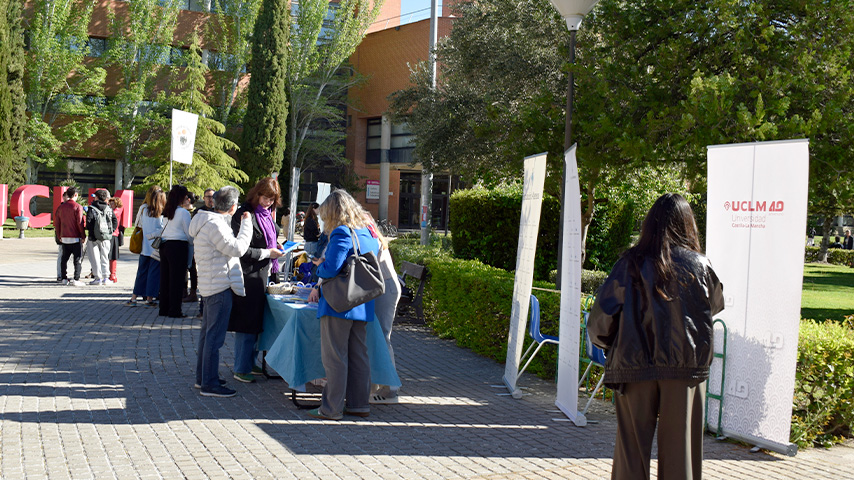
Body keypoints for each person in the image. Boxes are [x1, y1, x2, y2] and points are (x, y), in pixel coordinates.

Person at [587, 193, 724, 480]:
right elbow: (713, 306)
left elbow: (602, 315)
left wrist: (608, 344)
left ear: (650, 224)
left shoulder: (629, 263)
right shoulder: (700, 265)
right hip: (685, 368)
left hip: (635, 365)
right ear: (689, 225)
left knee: (630, 453)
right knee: (681, 453)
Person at [305, 190, 380, 420]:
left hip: (339, 302)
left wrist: (320, 265)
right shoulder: (368, 232)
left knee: (335, 358)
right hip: (362, 302)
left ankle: (331, 408)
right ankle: (359, 405)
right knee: (359, 356)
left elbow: (332, 267)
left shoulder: (341, 232)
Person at [189, 186, 253, 397]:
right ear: (233, 206)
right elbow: (237, 249)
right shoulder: (215, 224)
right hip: (218, 287)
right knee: (214, 339)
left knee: (207, 336)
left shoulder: (206, 221)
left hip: (210, 285)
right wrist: (247, 225)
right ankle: (209, 383)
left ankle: (203, 378)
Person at [228, 177, 284, 383]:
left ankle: (249, 362)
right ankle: (241, 366)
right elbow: (241, 250)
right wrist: (268, 252)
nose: (268, 202)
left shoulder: (267, 214)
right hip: (247, 275)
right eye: (265, 197)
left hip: (262, 275)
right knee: (246, 322)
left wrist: (277, 246)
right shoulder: (245, 214)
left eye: (272, 199)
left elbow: (270, 239)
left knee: (256, 321)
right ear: (257, 193)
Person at [364, 211, 402, 404]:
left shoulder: (370, 237)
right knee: (378, 337)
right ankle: (379, 385)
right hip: (386, 287)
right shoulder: (373, 234)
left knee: (382, 338)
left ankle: (390, 389)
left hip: (385, 289)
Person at [128, 187, 165, 307]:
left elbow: (138, 223)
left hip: (145, 246)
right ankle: (149, 299)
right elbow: (164, 228)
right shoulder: (163, 211)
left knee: (141, 272)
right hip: (157, 247)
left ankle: (134, 298)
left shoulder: (143, 208)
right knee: (154, 273)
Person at [159, 185, 192, 318]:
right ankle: (175, 310)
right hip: (179, 246)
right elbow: (189, 233)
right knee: (177, 280)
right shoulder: (183, 213)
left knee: (165, 278)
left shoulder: (168, 211)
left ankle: (164, 308)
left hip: (165, 245)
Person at [54, 187, 87, 287]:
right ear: (76, 195)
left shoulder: (61, 207)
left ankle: (64, 278)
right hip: (75, 237)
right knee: (77, 259)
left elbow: (57, 223)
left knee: (64, 259)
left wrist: (59, 235)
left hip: (64, 237)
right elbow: (79, 222)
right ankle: (76, 279)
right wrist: (83, 235)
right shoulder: (78, 207)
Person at [86, 189, 118, 285]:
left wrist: (92, 234)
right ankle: (106, 278)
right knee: (105, 257)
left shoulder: (92, 208)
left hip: (94, 238)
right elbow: (115, 221)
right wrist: (110, 232)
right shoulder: (109, 208)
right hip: (106, 237)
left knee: (94, 258)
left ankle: (97, 278)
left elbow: (88, 222)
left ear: (97, 197)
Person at [108, 197, 125, 283]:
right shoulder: (114, 210)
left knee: (112, 256)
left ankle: (113, 274)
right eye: (110, 203)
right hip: (112, 235)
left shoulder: (117, 211)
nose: (111, 205)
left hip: (114, 235)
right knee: (110, 256)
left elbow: (112, 215)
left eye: (112, 203)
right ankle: (111, 274)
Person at [55, 190, 70, 282]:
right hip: (62, 234)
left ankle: (65, 274)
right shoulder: (60, 208)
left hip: (71, 234)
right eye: (67, 196)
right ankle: (60, 274)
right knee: (61, 254)